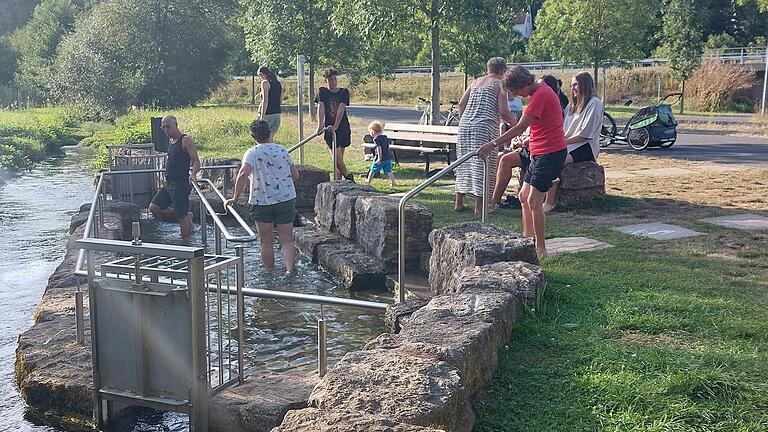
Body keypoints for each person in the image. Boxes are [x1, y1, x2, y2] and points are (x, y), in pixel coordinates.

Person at [478, 66, 567, 258]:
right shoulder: (539, 92)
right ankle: (527, 238)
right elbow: (538, 126)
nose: (517, 95)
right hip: (537, 151)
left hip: (550, 153)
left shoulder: (541, 94)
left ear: (523, 84)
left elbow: (520, 127)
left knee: (534, 200)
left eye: (516, 91)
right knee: (523, 196)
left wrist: (493, 143)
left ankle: (541, 248)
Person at [226, 120, 299, 273]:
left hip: (262, 201)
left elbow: (243, 173)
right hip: (285, 199)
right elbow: (295, 175)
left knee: (266, 241)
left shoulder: (252, 153)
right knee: (287, 239)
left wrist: (235, 197)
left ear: (253, 136)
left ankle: (269, 273)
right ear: (269, 133)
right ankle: (290, 270)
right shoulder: (282, 150)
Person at [455, 57, 517, 214]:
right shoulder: (499, 84)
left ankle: (459, 201)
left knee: (464, 163)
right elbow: (503, 111)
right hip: (484, 126)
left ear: (488, 68)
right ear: (503, 71)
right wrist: (517, 125)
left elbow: (462, 103)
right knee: (483, 164)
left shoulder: (476, 81)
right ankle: (479, 206)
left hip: (465, 125)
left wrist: (465, 120)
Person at [543, 72, 604, 212]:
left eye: (575, 84)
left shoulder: (594, 104)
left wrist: (563, 142)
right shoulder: (571, 106)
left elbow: (585, 134)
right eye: (571, 85)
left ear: (584, 85)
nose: (573, 88)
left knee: (556, 160)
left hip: (586, 146)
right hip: (569, 143)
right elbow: (564, 129)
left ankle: (550, 202)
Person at [149, 115, 200, 237]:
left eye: (168, 127)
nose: (166, 130)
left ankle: (186, 242)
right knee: (153, 207)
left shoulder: (185, 140)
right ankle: (185, 214)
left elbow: (196, 160)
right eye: (164, 127)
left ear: (176, 125)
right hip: (169, 183)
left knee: (181, 218)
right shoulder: (171, 141)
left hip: (181, 184)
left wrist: (193, 174)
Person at [315, 68, 353, 181]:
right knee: (336, 160)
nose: (333, 81)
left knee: (338, 160)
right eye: (331, 79)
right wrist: (320, 125)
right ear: (326, 81)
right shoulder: (322, 91)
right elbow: (320, 107)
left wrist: (336, 125)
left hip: (342, 128)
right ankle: (346, 179)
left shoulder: (343, 92)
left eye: (335, 79)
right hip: (329, 129)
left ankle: (345, 179)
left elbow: (341, 109)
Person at [365, 121, 396, 186]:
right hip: (387, 157)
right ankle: (393, 182)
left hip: (380, 158)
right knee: (388, 170)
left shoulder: (376, 139)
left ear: (373, 131)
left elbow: (379, 148)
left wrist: (379, 158)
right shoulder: (385, 137)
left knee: (373, 169)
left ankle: (368, 181)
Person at [258, 65, 282, 135]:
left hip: (268, 113)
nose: (260, 77)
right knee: (270, 138)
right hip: (277, 113)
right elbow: (280, 100)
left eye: (260, 75)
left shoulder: (265, 82)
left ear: (262, 74)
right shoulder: (278, 83)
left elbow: (265, 101)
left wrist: (262, 117)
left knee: (261, 137)